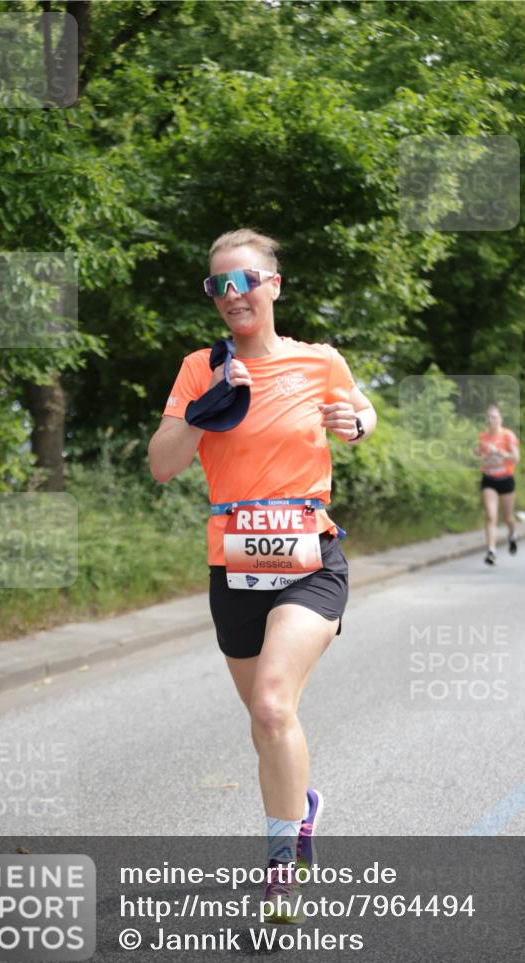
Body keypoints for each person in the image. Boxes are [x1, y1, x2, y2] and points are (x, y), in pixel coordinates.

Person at [148, 228, 376, 922]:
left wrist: (356, 422)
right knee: (266, 720)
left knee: (274, 705)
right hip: (234, 567)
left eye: (244, 280)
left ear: (273, 285)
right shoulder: (201, 367)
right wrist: (204, 411)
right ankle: (301, 805)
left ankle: (281, 869)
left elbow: (360, 410)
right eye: (217, 285)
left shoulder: (319, 360)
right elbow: (162, 465)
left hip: (309, 559)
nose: (231, 295)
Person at [475, 404, 520, 566]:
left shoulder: (508, 435)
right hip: (489, 478)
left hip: (506, 479)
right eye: (488, 417)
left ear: (500, 419)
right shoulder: (482, 436)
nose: (490, 420)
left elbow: (516, 458)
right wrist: (478, 454)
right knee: (491, 515)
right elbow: (480, 456)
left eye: (494, 417)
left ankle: (512, 534)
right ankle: (491, 551)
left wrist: (498, 452)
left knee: (508, 517)